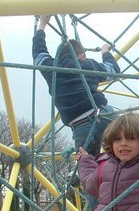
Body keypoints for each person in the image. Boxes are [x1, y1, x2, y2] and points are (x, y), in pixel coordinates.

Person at [32, 15, 120, 155]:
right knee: (132, 140)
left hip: (80, 126)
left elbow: (38, 52)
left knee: (86, 166)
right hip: (103, 114)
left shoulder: (52, 69)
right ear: (82, 55)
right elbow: (113, 71)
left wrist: (42, 24)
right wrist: (105, 52)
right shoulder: (86, 65)